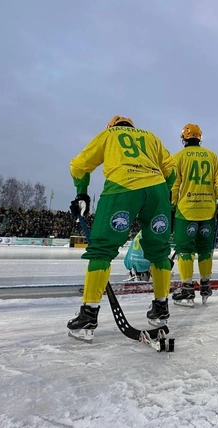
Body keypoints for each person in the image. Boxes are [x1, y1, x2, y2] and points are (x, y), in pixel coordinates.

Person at [67, 115, 176, 341]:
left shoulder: (109, 134)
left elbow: (79, 165)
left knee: (102, 249)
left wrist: (82, 193)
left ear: (112, 126)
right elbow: (171, 169)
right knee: (159, 251)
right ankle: (161, 308)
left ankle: (88, 314)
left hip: (122, 187)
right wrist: (166, 194)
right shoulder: (151, 137)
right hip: (157, 189)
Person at [171, 124, 218, 307]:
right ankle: (205, 285)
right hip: (208, 211)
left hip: (186, 210)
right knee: (205, 249)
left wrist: (171, 207)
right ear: (200, 138)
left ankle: (187, 289)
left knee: (185, 249)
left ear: (184, 139)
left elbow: (174, 184)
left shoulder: (178, 157)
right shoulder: (212, 157)